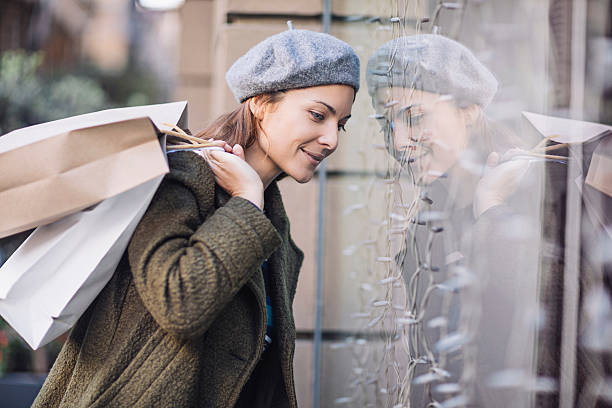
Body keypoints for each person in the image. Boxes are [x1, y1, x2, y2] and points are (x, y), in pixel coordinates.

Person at [33, 28, 359, 408]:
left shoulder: (275, 225)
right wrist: (247, 202)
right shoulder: (181, 177)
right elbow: (179, 303)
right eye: (318, 115)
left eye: (341, 124)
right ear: (261, 103)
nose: (332, 139)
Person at [365, 35, 542, 407]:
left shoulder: (534, 196)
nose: (398, 141)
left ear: (468, 110)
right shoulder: (431, 216)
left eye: (413, 117)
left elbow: (530, 330)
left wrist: (491, 208)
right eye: (387, 123)